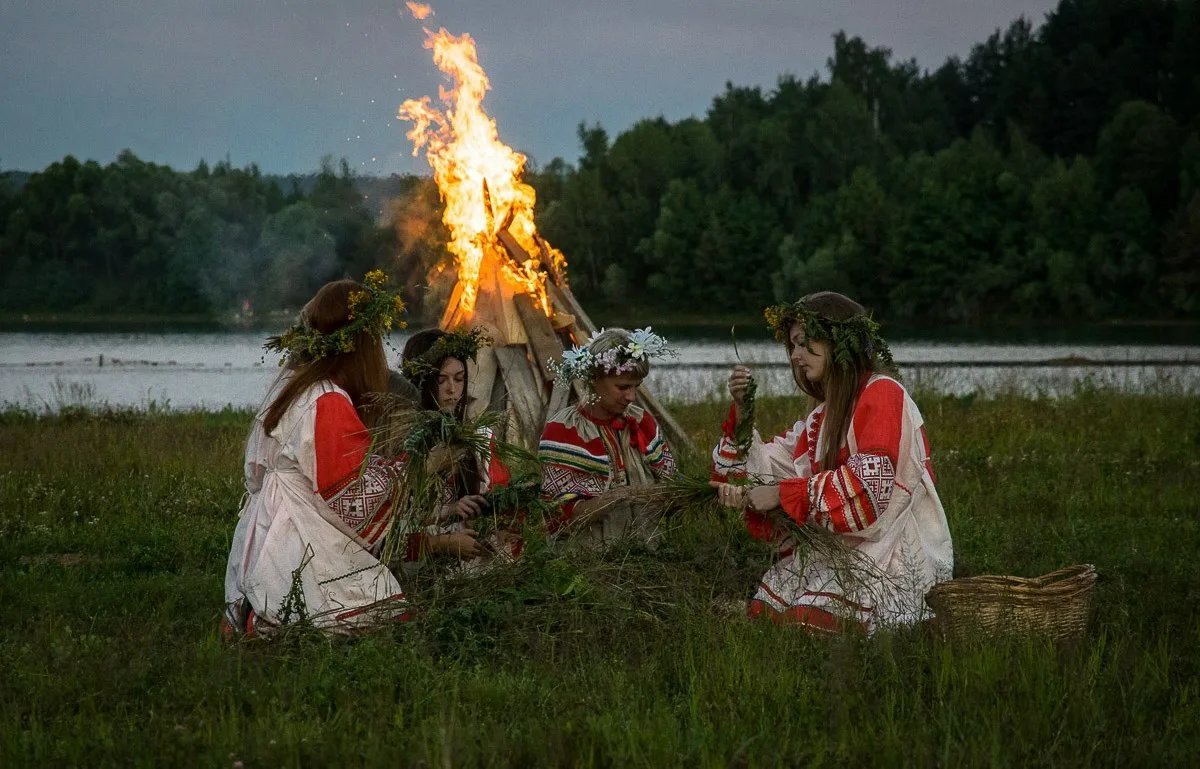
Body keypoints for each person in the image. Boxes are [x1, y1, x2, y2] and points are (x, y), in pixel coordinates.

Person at [711, 292, 953, 632]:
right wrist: (743, 412)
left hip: (891, 545)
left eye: (801, 343)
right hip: (843, 546)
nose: (794, 356)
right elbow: (770, 463)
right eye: (792, 347)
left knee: (810, 623)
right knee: (766, 615)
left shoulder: (882, 393)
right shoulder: (822, 417)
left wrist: (782, 495)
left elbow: (872, 488)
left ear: (837, 342)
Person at [223, 270, 411, 637]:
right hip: (296, 529)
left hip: (265, 524)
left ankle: (255, 610)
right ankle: (267, 620)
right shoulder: (328, 401)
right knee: (385, 606)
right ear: (361, 346)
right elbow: (350, 498)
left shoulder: (292, 386)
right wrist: (404, 468)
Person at [538, 327, 678, 546]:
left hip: (649, 558)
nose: (631, 396)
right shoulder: (563, 430)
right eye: (622, 387)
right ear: (594, 378)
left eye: (636, 386)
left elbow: (671, 488)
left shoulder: (641, 422)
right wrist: (619, 495)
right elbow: (560, 516)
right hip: (584, 565)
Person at [392, 327, 517, 570]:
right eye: (441, 380)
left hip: (470, 556)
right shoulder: (401, 440)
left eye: (459, 379)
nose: (452, 390)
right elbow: (391, 512)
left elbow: (500, 492)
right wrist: (448, 510)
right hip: (416, 557)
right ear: (422, 382)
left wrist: (489, 515)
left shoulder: (478, 437)